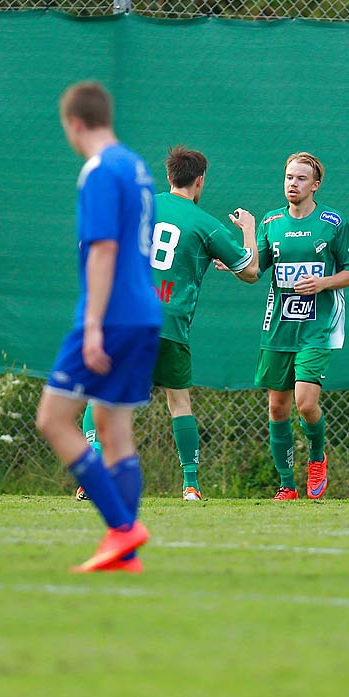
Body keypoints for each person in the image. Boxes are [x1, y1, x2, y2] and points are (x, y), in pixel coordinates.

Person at [81, 147, 258, 500]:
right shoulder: (205, 224)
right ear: (200, 180)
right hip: (170, 323)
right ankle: (190, 484)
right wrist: (249, 230)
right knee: (179, 402)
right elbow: (251, 271)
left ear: (169, 175)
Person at [35, 82, 161, 571]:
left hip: (111, 315)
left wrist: (91, 325)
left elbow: (104, 250)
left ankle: (123, 527)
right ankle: (124, 552)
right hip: (145, 313)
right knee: (113, 428)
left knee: (53, 418)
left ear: (74, 123)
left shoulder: (99, 171)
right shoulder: (136, 166)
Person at [254, 152, 349, 500]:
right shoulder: (270, 222)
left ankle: (317, 458)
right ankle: (287, 484)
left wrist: (323, 283)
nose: (292, 184)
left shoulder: (332, 222)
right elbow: (256, 269)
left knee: (304, 403)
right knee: (277, 408)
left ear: (315, 185)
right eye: (288, 177)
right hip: (279, 326)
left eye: (300, 179)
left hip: (318, 326)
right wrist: (238, 254)